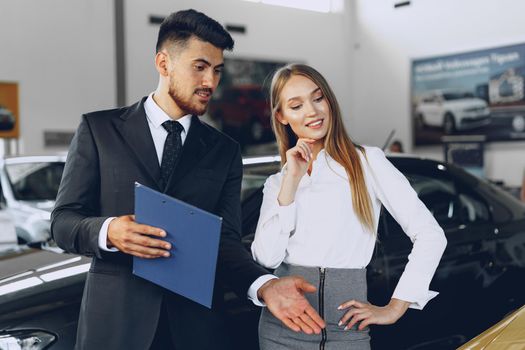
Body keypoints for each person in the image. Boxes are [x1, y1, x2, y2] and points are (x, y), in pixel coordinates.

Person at [51, 11, 324, 350]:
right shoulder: (100, 130)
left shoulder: (224, 150)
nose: (211, 81)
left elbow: (225, 243)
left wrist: (265, 285)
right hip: (115, 326)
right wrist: (109, 231)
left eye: (217, 70)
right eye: (200, 67)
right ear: (163, 63)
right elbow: (62, 223)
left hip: (196, 328)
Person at [251, 64, 448, 349]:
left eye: (318, 98)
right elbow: (266, 258)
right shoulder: (277, 182)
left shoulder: (368, 162)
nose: (312, 111)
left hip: (347, 333)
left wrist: (395, 307)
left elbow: (430, 235)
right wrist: (291, 182)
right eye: (296, 105)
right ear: (281, 116)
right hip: (280, 332)